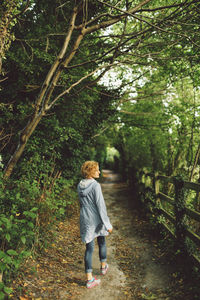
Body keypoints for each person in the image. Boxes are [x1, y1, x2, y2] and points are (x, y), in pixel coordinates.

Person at [77, 161, 113, 289]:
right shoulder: (95, 185)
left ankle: (89, 278)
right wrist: (107, 223)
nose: (99, 172)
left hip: (85, 218)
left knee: (89, 248)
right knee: (102, 241)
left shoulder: (80, 185)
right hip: (96, 218)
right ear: (91, 171)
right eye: (97, 170)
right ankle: (103, 267)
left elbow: (81, 204)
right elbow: (100, 205)